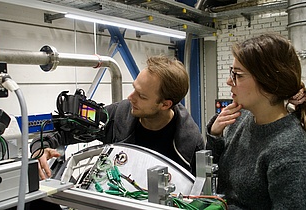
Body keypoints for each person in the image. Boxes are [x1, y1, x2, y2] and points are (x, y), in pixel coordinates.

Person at [31, 55, 205, 180]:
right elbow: (61, 132)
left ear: (165, 104)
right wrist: (41, 147)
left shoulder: (190, 142)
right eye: (134, 88)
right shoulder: (116, 116)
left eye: (142, 96)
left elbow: (202, 196)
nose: (130, 97)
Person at [206, 33, 306, 209]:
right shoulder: (240, 119)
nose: (229, 81)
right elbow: (213, 179)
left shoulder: (290, 149)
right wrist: (215, 136)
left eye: (238, 75)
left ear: (268, 81)